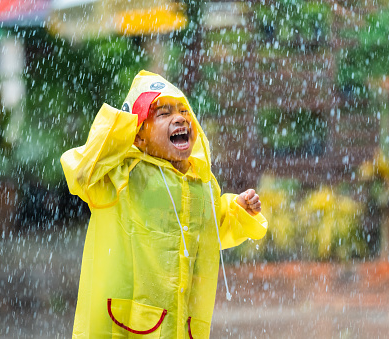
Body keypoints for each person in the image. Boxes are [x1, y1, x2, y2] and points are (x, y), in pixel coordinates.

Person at [61, 70, 268, 339]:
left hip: (181, 325)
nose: (180, 117)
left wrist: (238, 209)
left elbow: (210, 230)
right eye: (164, 113)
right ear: (138, 136)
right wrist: (123, 122)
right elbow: (82, 172)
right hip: (130, 325)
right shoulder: (124, 174)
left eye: (183, 110)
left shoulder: (201, 182)